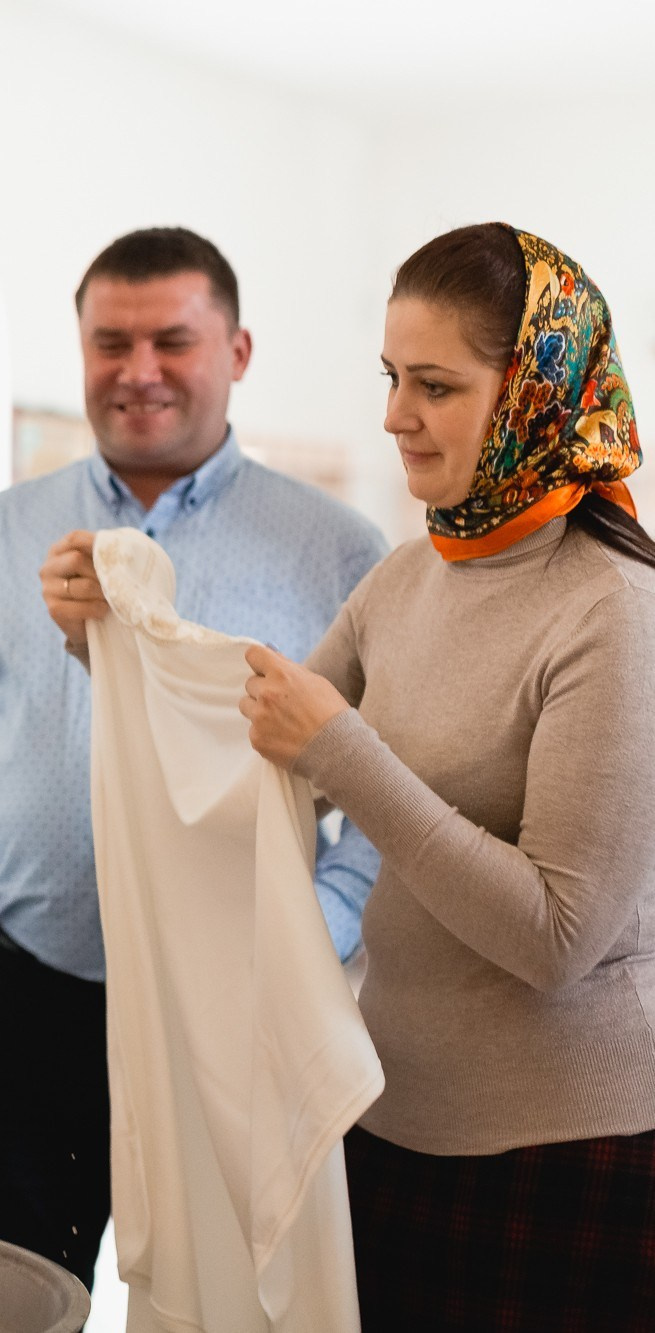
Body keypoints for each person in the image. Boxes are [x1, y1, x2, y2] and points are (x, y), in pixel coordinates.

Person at [0, 227, 388, 1289]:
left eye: (171, 342)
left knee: (223, 1302)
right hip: (25, 997)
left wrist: (315, 927)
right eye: (110, 342)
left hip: (234, 1007)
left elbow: (377, 786)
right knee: (5, 1305)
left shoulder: (335, 551)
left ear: (235, 352)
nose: (137, 371)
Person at [238, 223, 655, 1330]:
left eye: (434, 384)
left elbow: (558, 938)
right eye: (390, 377)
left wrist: (342, 752)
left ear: (534, 395)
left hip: (566, 1161)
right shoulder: (408, 574)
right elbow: (256, 728)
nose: (393, 416)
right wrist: (123, 640)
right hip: (391, 1122)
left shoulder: (612, 615)